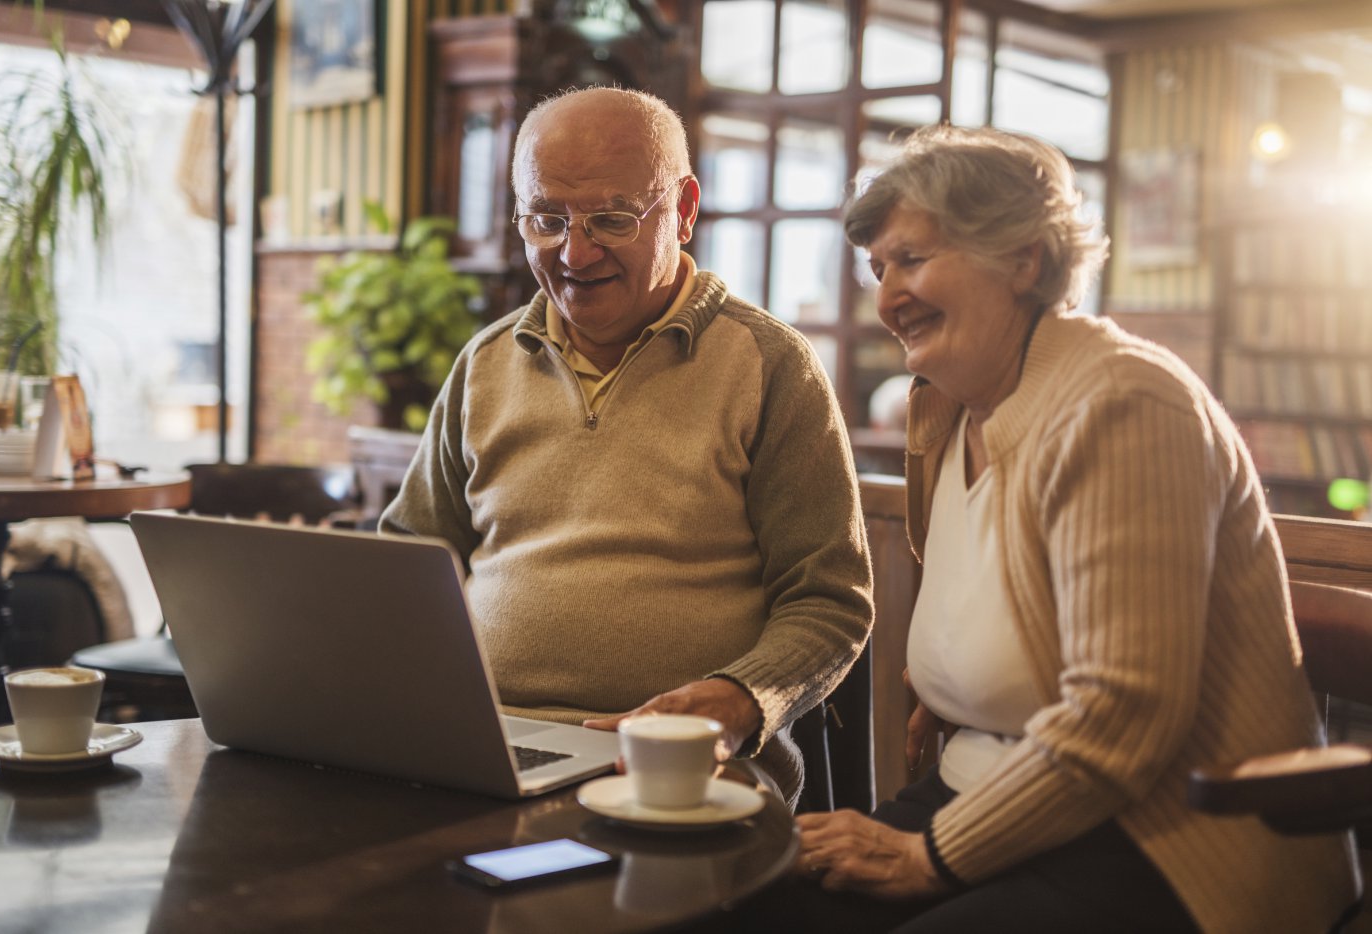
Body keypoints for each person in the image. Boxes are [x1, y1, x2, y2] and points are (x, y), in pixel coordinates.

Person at [782, 125, 1360, 932]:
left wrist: (928, 859)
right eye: (878, 270)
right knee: (756, 900)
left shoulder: (1124, 404)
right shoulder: (947, 411)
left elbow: (1121, 718)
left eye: (912, 260)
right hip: (989, 788)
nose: (886, 298)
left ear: (1024, 258)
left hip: (1163, 836)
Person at [379, 87, 873, 806]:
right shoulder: (485, 364)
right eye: (546, 220)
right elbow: (411, 564)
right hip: (486, 744)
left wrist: (739, 699)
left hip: (680, 761)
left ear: (685, 209)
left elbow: (830, 600)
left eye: (610, 219)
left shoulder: (769, 364)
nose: (575, 253)